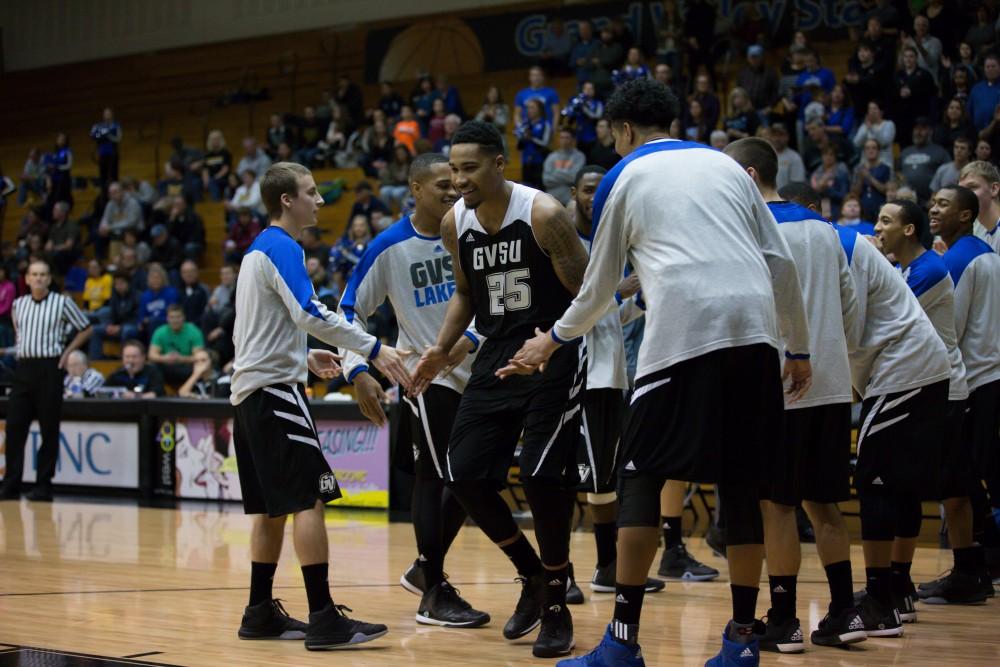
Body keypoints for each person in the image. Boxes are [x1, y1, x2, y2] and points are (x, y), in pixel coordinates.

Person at [503, 80, 812, 667]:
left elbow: (597, 287)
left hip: (685, 337)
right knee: (742, 487)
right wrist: (796, 347)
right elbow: (780, 262)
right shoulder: (726, 167)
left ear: (622, 131)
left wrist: (553, 339)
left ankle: (621, 644)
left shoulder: (627, 176)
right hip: (755, 335)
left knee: (640, 478)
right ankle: (741, 642)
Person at [412, 121, 591, 659]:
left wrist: (553, 342)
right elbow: (467, 292)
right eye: (454, 169)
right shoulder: (454, 223)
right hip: (496, 351)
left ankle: (557, 605)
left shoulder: (544, 215)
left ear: (499, 164)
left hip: (552, 349)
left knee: (539, 477)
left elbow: (587, 291)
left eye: (469, 168)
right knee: (462, 471)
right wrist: (442, 349)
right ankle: (532, 574)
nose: (459, 179)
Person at [229, 161, 410, 650]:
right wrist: (374, 348)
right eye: (311, 192)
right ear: (287, 200)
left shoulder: (254, 253)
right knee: (309, 500)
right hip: (275, 394)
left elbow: (256, 327)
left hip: (250, 395)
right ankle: (324, 618)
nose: (320, 200)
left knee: (270, 511)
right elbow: (310, 311)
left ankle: (259, 610)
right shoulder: (283, 246)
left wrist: (302, 355)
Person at [725, 137, 866, 652]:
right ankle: (846, 612)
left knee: (776, 507)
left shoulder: (747, 227)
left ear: (745, 174)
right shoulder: (827, 232)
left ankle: (783, 619)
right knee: (823, 504)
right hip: (829, 384)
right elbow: (850, 310)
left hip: (780, 386)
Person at [338, 152, 488, 627]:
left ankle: (426, 569)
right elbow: (348, 311)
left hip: (482, 373)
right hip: (427, 376)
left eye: (458, 180)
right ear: (415, 189)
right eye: (443, 182)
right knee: (438, 479)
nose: (454, 187)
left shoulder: (475, 230)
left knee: (477, 480)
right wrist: (357, 369)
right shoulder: (389, 246)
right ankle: (434, 594)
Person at [834, 201, 951, 638]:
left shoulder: (848, 253)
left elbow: (850, 329)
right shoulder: (865, 256)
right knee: (897, 484)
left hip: (905, 373)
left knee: (874, 482)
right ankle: (895, 589)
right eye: (877, 220)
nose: (879, 228)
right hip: (916, 372)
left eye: (888, 220)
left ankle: (880, 601)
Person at [874, 198, 991, 605]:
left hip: (939, 391)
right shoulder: (909, 268)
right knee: (951, 486)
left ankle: (907, 580)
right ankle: (966, 572)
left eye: (885, 221)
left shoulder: (927, 270)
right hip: (936, 388)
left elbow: (888, 323)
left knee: (926, 486)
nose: (876, 228)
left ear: (908, 229)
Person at [565, 165, 669, 598]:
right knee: (574, 478)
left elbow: (611, 318)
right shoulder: (565, 244)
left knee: (605, 481)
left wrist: (641, 298)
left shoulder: (610, 242)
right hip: (580, 375)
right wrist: (621, 293)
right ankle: (561, 572)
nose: (594, 197)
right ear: (575, 193)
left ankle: (607, 567)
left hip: (611, 374)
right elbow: (571, 310)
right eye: (588, 190)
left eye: (599, 190)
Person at [929, 185, 1000, 597]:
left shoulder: (957, 259)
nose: (934, 209)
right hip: (989, 377)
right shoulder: (986, 253)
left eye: (943, 204)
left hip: (971, 381)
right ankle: (982, 560)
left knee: (961, 479)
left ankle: (974, 564)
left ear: (965, 214)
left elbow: (944, 329)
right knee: (973, 475)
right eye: (933, 203)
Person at [0, 259, 92, 501]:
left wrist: (67, 353)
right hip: (24, 369)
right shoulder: (18, 305)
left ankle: (43, 485)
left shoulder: (62, 302)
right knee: (14, 428)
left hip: (50, 368)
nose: (39, 278)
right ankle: (11, 483)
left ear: (49, 279)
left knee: (49, 429)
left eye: (43, 275)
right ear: (28, 279)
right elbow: (21, 335)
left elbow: (86, 328)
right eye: (34, 274)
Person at [89, 272, 139, 360]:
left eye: (121, 283)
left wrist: (120, 327)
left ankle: (125, 358)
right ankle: (96, 360)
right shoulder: (114, 296)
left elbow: (136, 318)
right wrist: (110, 325)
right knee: (95, 330)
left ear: (128, 284)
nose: (118, 286)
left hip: (131, 326)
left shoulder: (137, 296)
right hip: (117, 326)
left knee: (127, 331)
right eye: (116, 284)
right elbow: (112, 315)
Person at [899, 118, 950, 203]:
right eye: (916, 129)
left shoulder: (940, 151)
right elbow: (898, 174)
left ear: (930, 131)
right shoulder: (905, 152)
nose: (918, 132)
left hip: (930, 202)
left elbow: (948, 175)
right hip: (907, 201)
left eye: (922, 129)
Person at [959, 160, 1000, 253]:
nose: (964, 195)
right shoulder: (977, 229)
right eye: (961, 190)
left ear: (994, 189)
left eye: (972, 187)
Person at [515, 98, 552, 190]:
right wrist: (520, 137)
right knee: (526, 189)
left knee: (540, 190)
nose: (529, 110)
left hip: (540, 162)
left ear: (539, 109)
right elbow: (519, 146)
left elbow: (545, 144)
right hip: (526, 162)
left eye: (532, 107)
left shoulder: (545, 124)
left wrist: (531, 138)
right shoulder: (525, 124)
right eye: (528, 108)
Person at [543, 129, 586, 206]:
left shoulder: (579, 156)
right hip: (551, 201)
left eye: (567, 137)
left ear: (573, 139)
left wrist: (556, 172)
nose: (564, 140)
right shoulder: (551, 157)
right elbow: (546, 180)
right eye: (562, 137)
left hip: (570, 201)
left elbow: (575, 179)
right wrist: (567, 176)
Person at [854, 138, 892, 222]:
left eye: (873, 148)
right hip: (862, 209)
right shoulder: (858, 169)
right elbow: (855, 193)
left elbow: (886, 190)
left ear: (878, 151)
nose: (870, 151)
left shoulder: (885, 168)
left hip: (880, 208)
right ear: (864, 151)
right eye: (867, 148)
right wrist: (860, 179)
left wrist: (869, 177)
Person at [853, 100, 896, 170]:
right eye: (870, 109)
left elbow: (884, 143)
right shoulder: (864, 126)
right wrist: (866, 128)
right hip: (866, 164)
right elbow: (856, 143)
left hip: (884, 164)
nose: (872, 111)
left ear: (881, 112)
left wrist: (871, 128)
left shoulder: (889, 124)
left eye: (875, 108)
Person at [90, 107, 121, 194]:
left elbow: (118, 139)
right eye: (105, 113)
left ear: (112, 115)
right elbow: (93, 135)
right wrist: (101, 134)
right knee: (103, 177)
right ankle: (104, 195)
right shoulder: (98, 126)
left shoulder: (115, 125)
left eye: (109, 113)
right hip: (102, 154)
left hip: (113, 154)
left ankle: (116, 192)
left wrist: (107, 135)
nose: (107, 115)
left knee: (113, 176)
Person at [968, 54, 1000, 132]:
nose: (990, 69)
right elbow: (970, 111)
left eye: (993, 66)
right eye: (987, 67)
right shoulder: (976, 88)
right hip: (978, 132)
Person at [769, 123, 806, 190]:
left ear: (787, 137)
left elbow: (797, 187)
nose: (777, 138)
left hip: (785, 199)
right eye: (774, 135)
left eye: (781, 135)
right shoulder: (765, 155)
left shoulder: (795, 158)